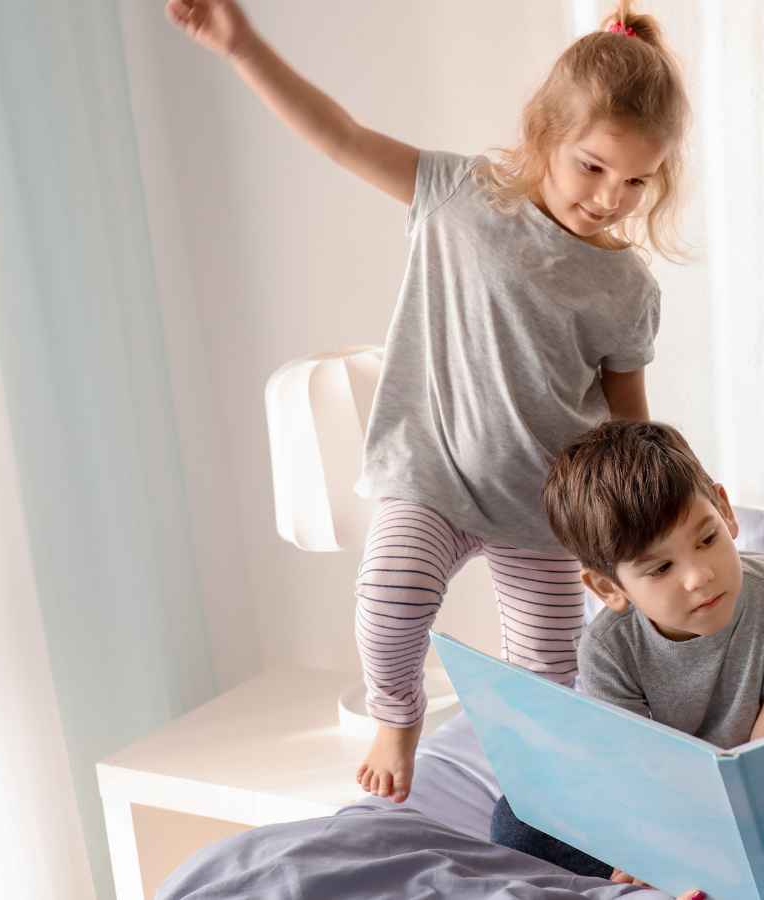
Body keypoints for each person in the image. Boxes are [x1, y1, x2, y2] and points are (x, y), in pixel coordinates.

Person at [166, 0, 691, 804]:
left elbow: (631, 423)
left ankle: (542, 791)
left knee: (552, 674)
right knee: (386, 607)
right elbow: (337, 135)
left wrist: (637, 528)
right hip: (432, 476)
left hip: (547, 508)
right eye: (592, 166)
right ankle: (397, 718)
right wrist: (242, 47)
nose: (611, 198)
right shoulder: (458, 195)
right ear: (547, 131)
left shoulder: (625, 287)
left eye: (635, 182)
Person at [491, 420, 764, 887]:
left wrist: (678, 853)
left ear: (725, 511)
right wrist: (646, 843)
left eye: (708, 539)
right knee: (517, 815)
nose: (699, 576)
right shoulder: (608, 646)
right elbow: (630, 770)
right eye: (660, 568)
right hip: (674, 797)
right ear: (608, 587)